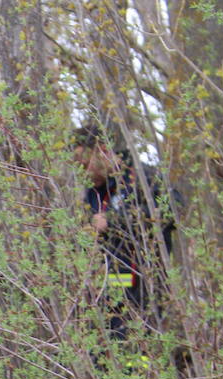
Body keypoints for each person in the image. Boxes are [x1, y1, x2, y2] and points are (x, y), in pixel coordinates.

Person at [70, 123, 179, 342]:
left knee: (138, 348)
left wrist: (114, 221)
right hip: (111, 284)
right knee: (109, 347)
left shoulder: (143, 176)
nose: (82, 170)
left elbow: (173, 212)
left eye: (85, 162)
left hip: (146, 283)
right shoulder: (93, 193)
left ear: (102, 150)